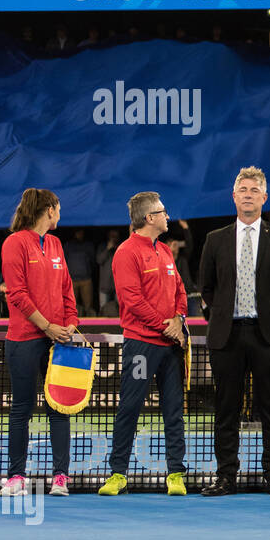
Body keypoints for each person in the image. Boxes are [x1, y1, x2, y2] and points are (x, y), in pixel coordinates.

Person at [198, 167, 270, 496]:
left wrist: (269, 313)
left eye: (254, 190)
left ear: (264, 198)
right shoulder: (215, 239)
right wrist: (227, 313)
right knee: (227, 407)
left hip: (266, 334)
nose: (248, 194)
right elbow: (207, 288)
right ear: (234, 196)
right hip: (227, 335)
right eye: (242, 189)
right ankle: (226, 475)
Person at [97, 193, 189, 497]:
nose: (167, 216)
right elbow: (132, 301)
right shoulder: (126, 253)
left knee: (174, 410)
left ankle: (176, 473)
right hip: (141, 346)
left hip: (170, 347)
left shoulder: (165, 251)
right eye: (163, 212)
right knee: (130, 408)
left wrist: (178, 318)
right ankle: (118, 474)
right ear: (149, 218)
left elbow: (180, 291)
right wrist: (168, 327)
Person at [0, 188, 78, 497]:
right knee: (22, 408)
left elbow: (67, 289)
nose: (60, 214)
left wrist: (70, 322)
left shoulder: (57, 244)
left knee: (59, 408)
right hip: (24, 339)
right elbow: (17, 293)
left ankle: (61, 477)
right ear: (48, 210)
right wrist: (47, 327)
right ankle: (16, 477)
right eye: (58, 208)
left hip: (58, 341)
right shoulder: (13, 243)